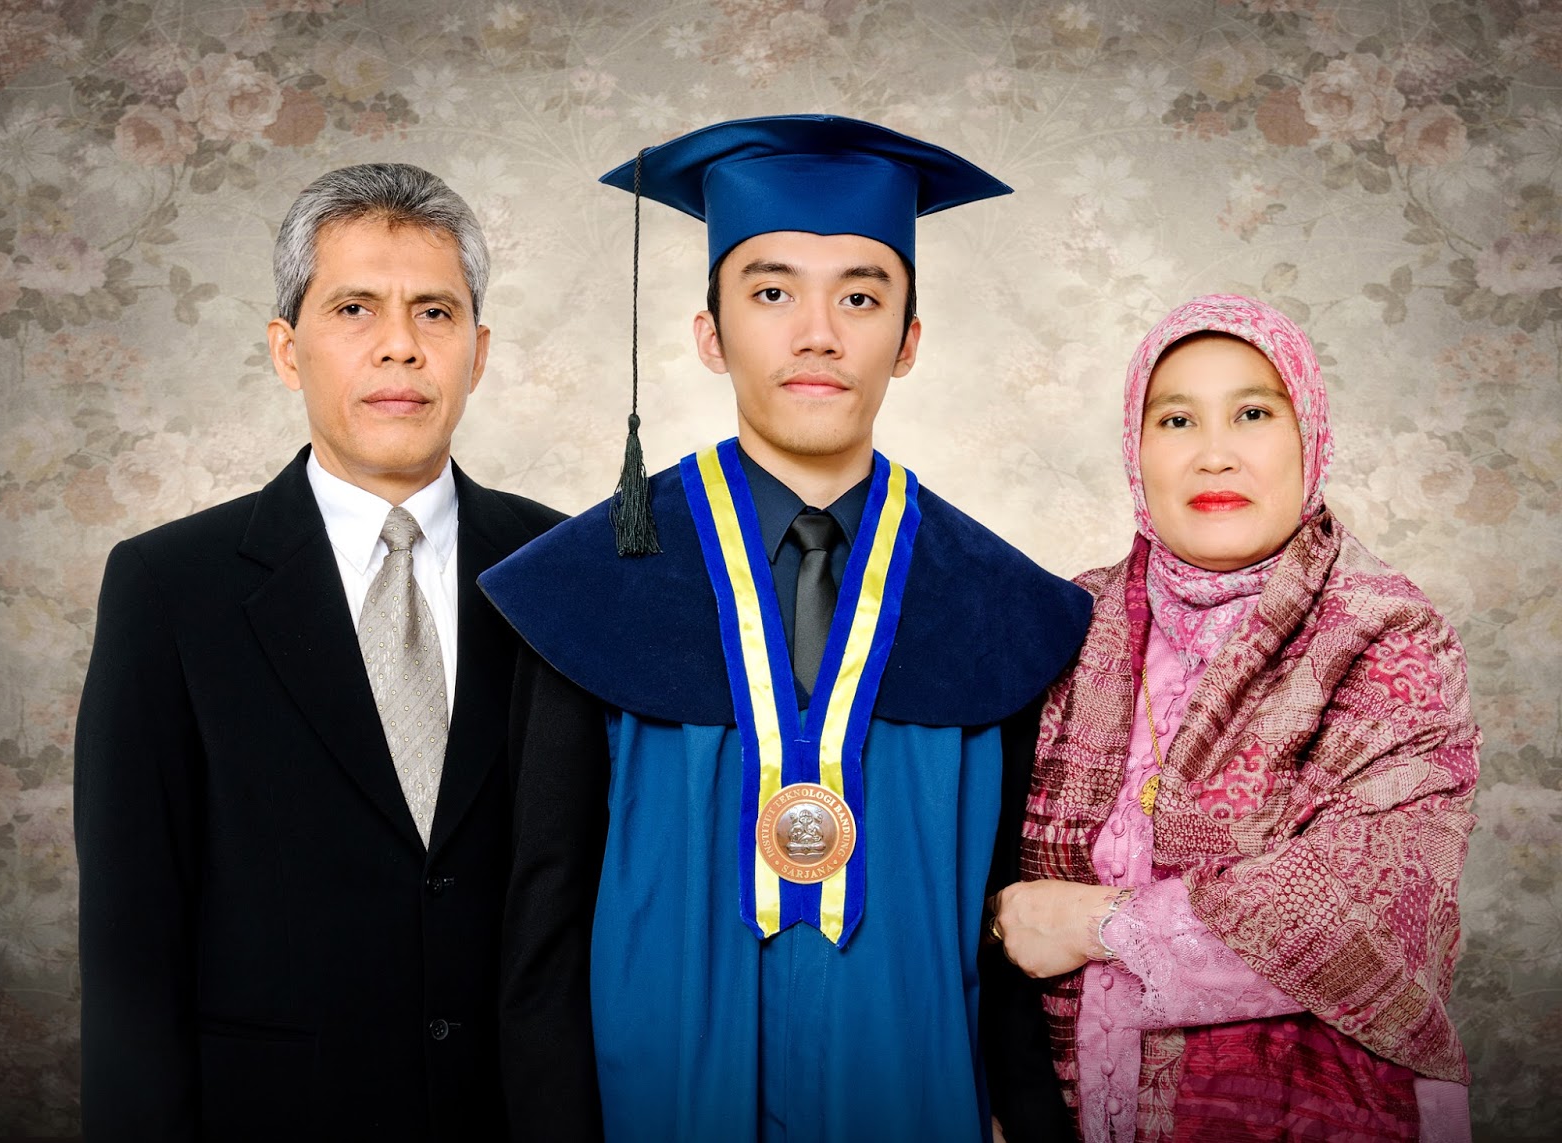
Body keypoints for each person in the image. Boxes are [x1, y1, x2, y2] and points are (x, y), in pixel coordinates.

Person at [479, 114, 1093, 1141]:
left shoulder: (1002, 608)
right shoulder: (588, 588)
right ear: (709, 333)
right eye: (772, 293)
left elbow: (1009, 928)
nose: (819, 333)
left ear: (908, 342)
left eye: (860, 296)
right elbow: (538, 930)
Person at [74, 163, 565, 1140]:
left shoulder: (562, 573)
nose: (399, 347)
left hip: (515, 1114)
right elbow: (133, 945)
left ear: (478, 350)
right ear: (287, 351)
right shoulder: (170, 587)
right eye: (354, 308)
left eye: (435, 312)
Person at [992, 294, 1479, 1142]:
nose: (1215, 454)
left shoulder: (1385, 635)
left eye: (1253, 412)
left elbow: (1363, 913)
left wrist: (1092, 924)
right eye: (1176, 419)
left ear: (1308, 437)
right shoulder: (1064, 621)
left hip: (1312, 1115)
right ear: (1137, 451)